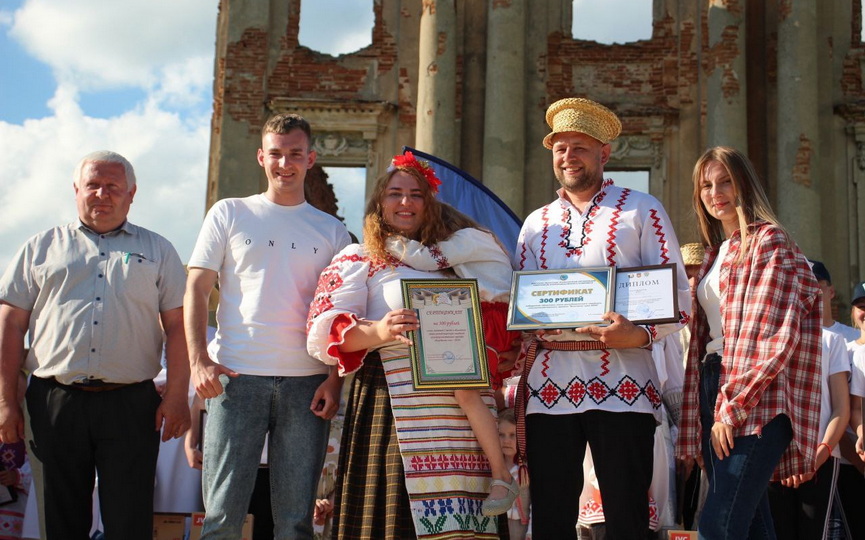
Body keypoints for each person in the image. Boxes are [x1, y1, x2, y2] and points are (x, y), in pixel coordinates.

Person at [306, 153, 512, 538]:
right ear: (379, 202)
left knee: (466, 513)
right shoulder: (360, 257)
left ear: (429, 202)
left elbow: (497, 310)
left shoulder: (459, 255)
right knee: (393, 517)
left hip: (460, 412)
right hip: (392, 400)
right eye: (395, 193)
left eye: (416, 194)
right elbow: (326, 331)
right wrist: (379, 332)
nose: (405, 202)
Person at [513, 97, 691, 539]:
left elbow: (680, 299)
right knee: (551, 515)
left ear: (604, 153)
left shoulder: (641, 210)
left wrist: (641, 335)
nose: (568, 157)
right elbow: (522, 305)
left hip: (623, 387)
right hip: (549, 389)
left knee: (626, 516)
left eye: (579, 147)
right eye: (560, 148)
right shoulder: (536, 223)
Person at [0, 150, 190, 539]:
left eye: (113, 186)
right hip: (54, 402)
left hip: (131, 404)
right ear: (76, 189)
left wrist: (175, 394)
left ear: (131, 193)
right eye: (93, 184)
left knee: (128, 521)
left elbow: (178, 327)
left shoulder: (159, 251)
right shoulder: (40, 248)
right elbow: (10, 325)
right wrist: (5, 400)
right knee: (60, 520)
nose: (102, 193)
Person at [185, 113, 351, 538]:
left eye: (295, 154)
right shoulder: (229, 213)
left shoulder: (333, 231)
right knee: (221, 517)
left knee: (296, 522)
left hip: (307, 382)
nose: (285, 163)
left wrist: (334, 379)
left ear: (310, 158)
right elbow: (197, 289)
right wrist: (199, 362)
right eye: (275, 153)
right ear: (262, 157)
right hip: (234, 378)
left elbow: (342, 313)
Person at [677, 146, 822, 539]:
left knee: (718, 524)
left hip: (756, 396)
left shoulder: (769, 242)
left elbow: (772, 335)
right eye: (705, 185)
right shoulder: (714, 254)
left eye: (725, 181)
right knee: (753, 523)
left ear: (745, 184)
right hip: (714, 382)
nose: (715, 192)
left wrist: (731, 406)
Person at [767, 261, 850, 539]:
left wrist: (820, 454)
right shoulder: (769, 338)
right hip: (774, 458)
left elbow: (841, 407)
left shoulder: (831, 340)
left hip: (820, 458)